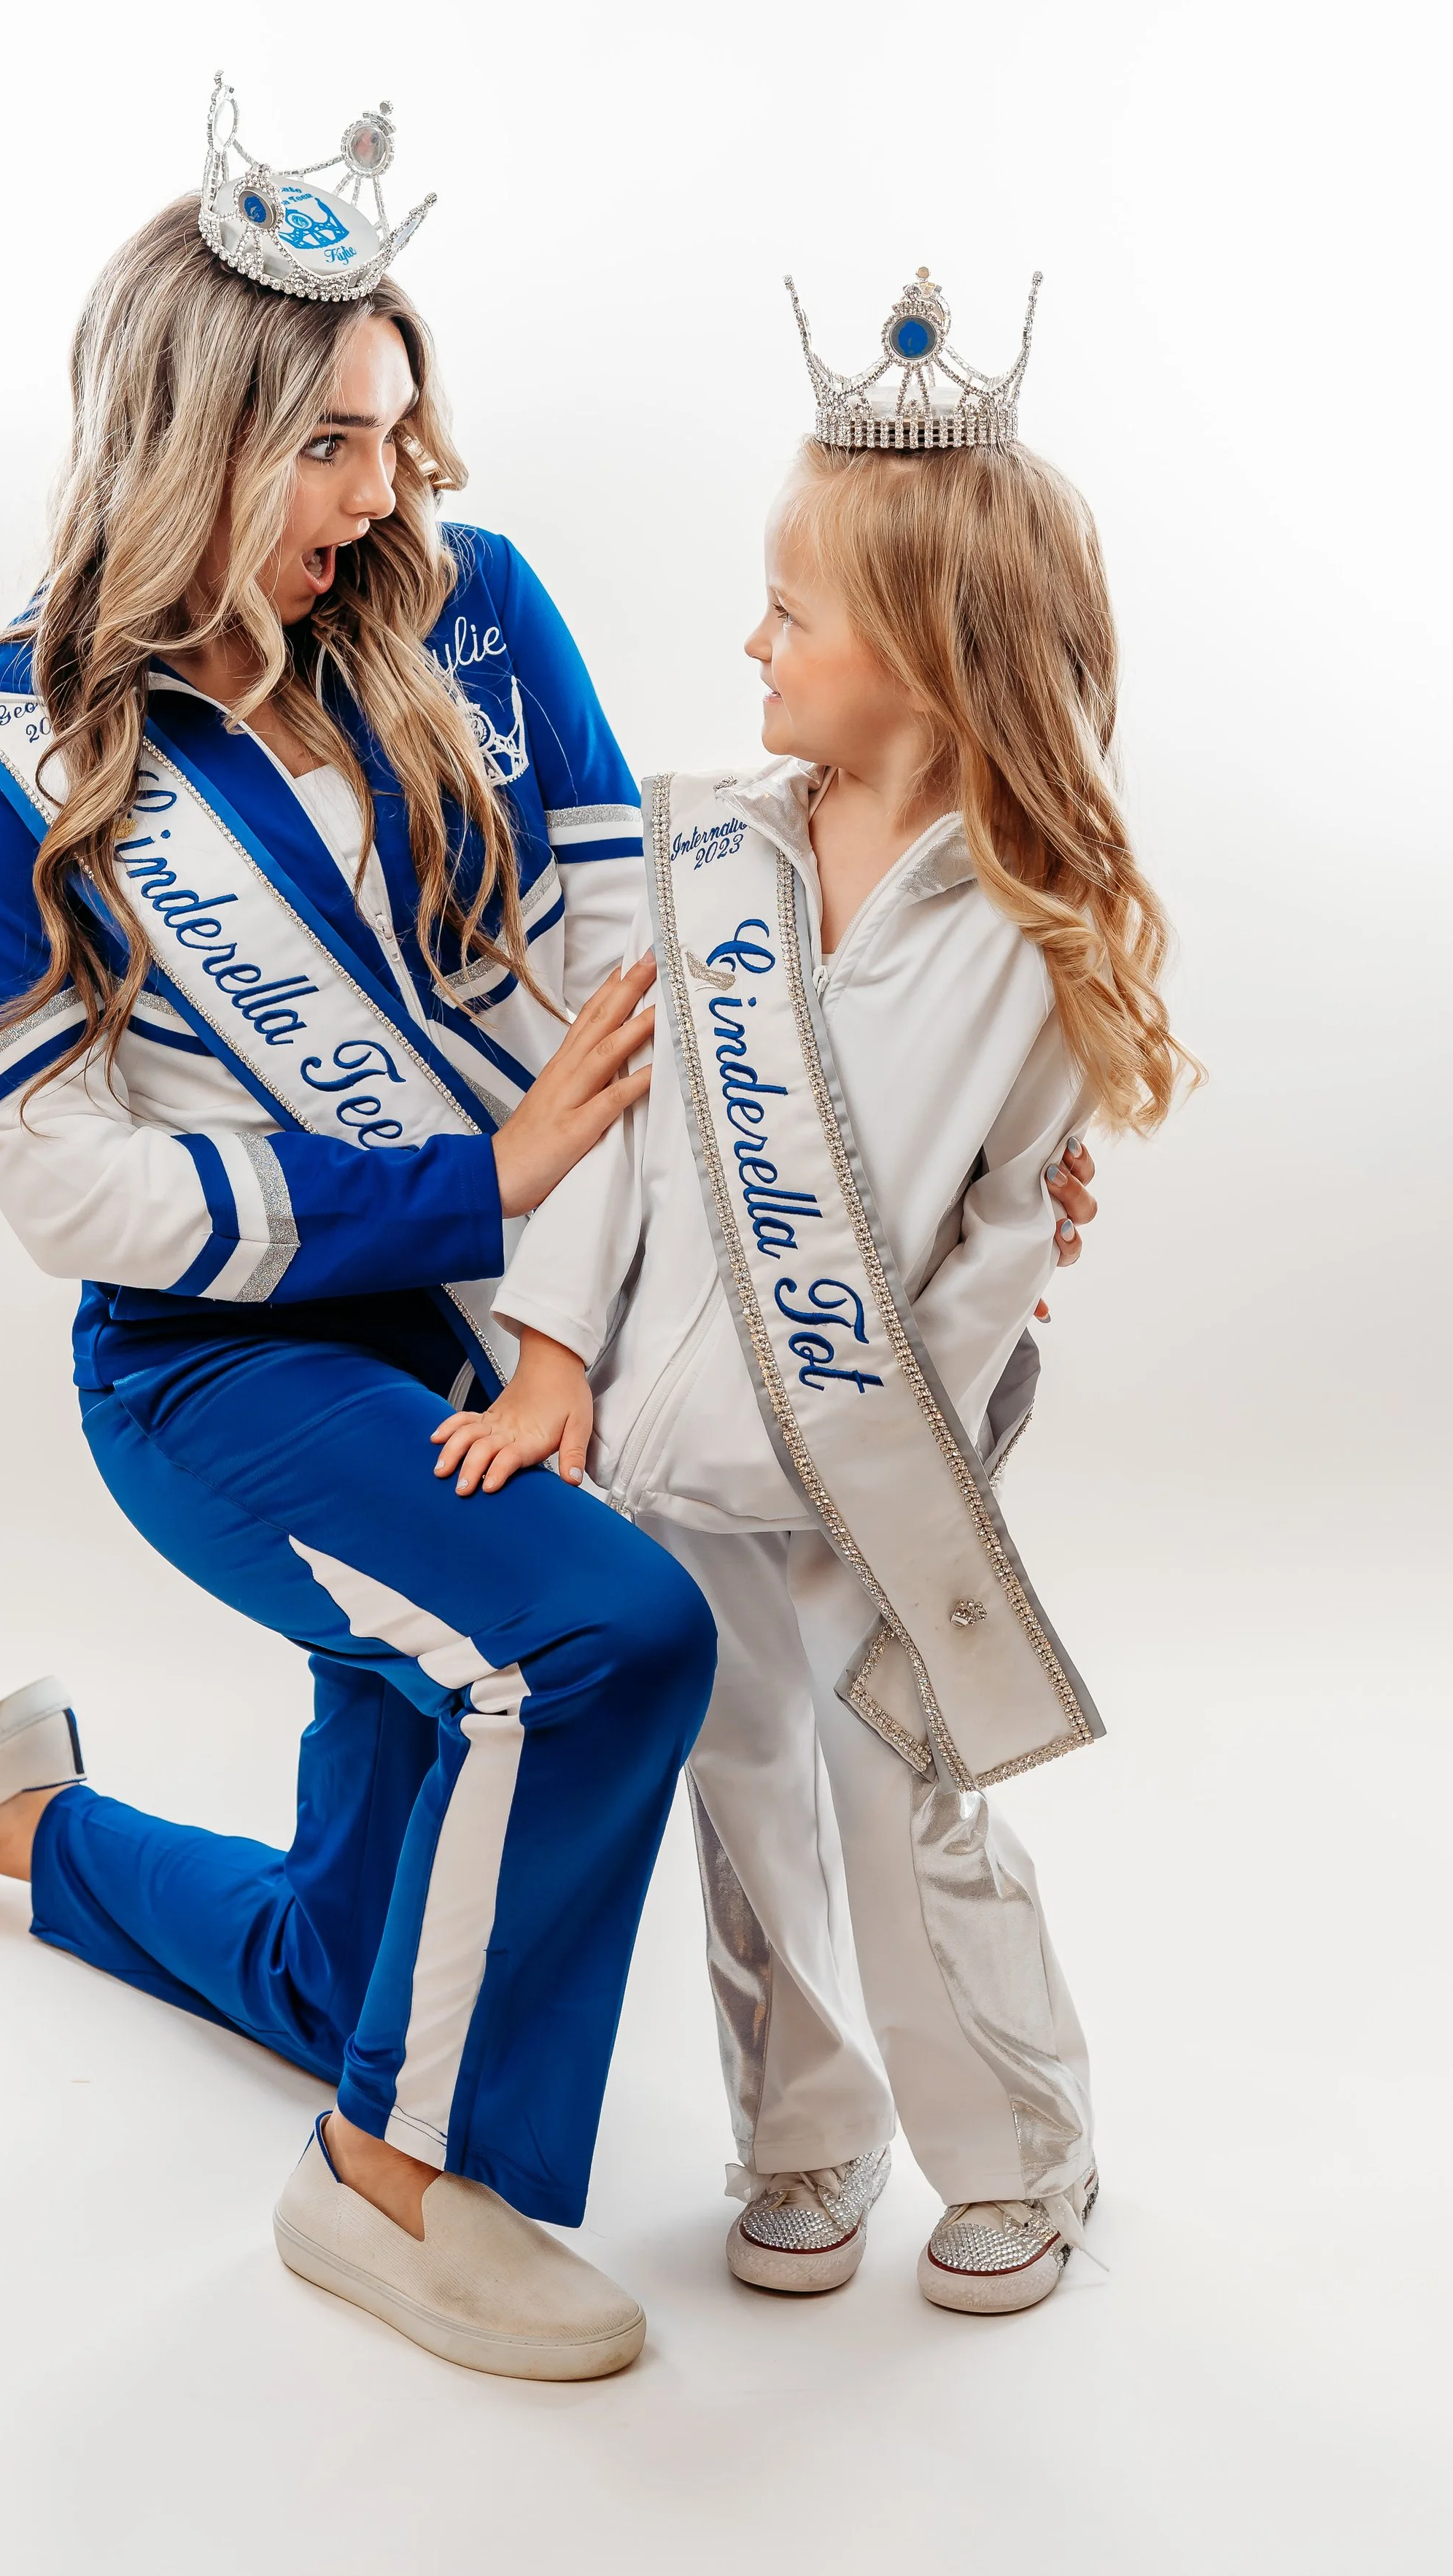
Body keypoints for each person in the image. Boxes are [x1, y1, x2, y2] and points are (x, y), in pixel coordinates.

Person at [0, 87, 729, 2383]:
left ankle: (18, 1818)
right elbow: (72, 1186)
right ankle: (383, 2189)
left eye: (393, 431)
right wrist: (456, 1189)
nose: (381, 494)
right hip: (226, 1375)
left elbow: (633, 968)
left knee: (335, 1956)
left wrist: (852, 1163)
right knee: (596, 1643)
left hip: (507, 1316)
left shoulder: (471, 617)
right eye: (324, 446)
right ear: (180, 436)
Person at [427, 266, 1188, 2317]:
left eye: (790, 609)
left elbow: (998, 1247)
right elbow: (604, 1136)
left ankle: (1017, 2146)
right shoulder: (709, 868)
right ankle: (800, 2134)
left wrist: (886, 1448)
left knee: (901, 1800)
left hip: (876, 1471)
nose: (748, 641)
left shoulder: (1033, 932)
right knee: (738, 1792)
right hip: (671, 1464)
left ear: (924, 659)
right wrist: (552, 1361)